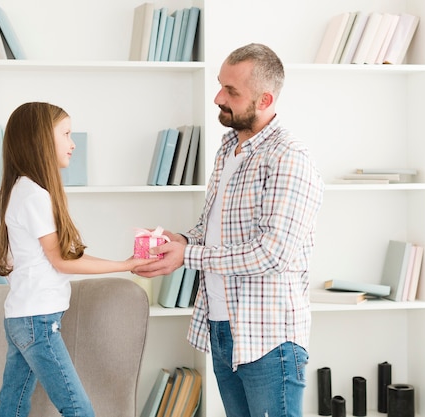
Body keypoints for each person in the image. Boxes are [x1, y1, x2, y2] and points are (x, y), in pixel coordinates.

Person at [133, 43, 325, 417]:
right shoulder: (227, 148)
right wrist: (184, 240)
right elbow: (215, 225)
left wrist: (187, 256)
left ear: (266, 98)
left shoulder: (289, 158)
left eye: (231, 91)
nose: (218, 97)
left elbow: (273, 253)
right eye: (220, 86)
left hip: (269, 339)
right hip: (222, 330)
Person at [0, 102, 154, 417]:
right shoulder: (36, 195)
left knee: (12, 407)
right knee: (78, 409)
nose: (73, 143)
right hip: (37, 321)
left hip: (21, 317)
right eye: (66, 134)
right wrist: (127, 265)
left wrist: (127, 264)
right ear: (40, 140)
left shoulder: (22, 190)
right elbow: (63, 261)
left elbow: (60, 257)